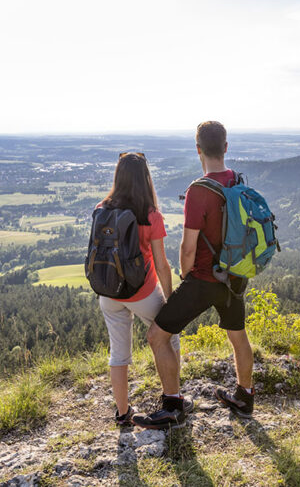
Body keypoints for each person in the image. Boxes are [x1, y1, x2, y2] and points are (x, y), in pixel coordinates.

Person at [134, 121, 254, 430]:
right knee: (238, 336)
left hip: (203, 279)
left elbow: (188, 247)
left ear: (197, 148)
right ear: (225, 147)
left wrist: (186, 275)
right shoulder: (236, 180)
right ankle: (245, 395)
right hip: (234, 278)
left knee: (157, 335)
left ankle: (172, 404)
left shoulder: (198, 190)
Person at [95, 152, 181, 426]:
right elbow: (162, 264)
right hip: (143, 292)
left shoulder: (102, 208)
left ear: (118, 176)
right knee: (169, 337)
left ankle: (122, 414)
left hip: (108, 292)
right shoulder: (150, 214)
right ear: (146, 178)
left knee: (118, 354)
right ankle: (173, 397)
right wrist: (169, 301)